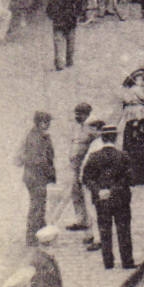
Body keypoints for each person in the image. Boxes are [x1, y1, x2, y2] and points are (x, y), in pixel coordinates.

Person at [81, 125, 135, 270]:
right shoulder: (123, 156)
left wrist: (99, 191)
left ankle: (108, 262)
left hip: (101, 200)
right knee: (124, 230)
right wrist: (113, 190)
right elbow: (129, 179)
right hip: (121, 199)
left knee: (104, 231)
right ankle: (127, 261)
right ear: (115, 138)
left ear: (103, 138)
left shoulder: (94, 156)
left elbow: (86, 178)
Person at [17, 110, 55, 245]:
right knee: (37, 206)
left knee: (39, 205)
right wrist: (48, 171)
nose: (49, 124)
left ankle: (41, 234)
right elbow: (37, 159)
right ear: (40, 123)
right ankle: (33, 237)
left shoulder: (39, 135)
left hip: (37, 176)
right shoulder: (35, 137)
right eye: (47, 122)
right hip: (36, 176)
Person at [64, 102, 96, 233]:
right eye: (76, 114)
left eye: (80, 114)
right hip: (75, 167)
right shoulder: (76, 128)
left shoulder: (92, 128)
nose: (77, 117)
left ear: (87, 114)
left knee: (88, 195)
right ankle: (80, 220)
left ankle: (91, 224)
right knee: (75, 193)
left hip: (86, 166)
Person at [45, 0, 82, 69]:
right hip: (68, 22)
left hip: (60, 22)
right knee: (69, 42)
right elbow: (79, 7)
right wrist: (75, 16)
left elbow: (48, 10)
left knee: (60, 43)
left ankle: (60, 63)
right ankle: (67, 61)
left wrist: (53, 17)